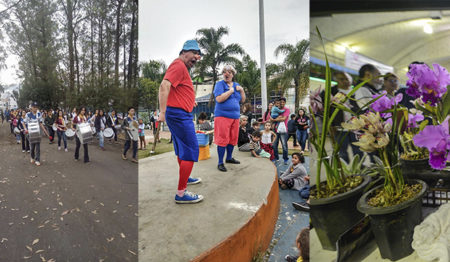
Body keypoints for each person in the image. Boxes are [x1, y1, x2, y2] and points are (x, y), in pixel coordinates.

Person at [158, 39, 203, 204]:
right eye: (194, 53)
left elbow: (177, 90)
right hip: (178, 115)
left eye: (198, 55)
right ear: (185, 52)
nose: (197, 58)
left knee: (182, 150)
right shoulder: (178, 65)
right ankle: (181, 193)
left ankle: (186, 178)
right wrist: (162, 112)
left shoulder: (182, 67)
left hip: (178, 113)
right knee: (191, 150)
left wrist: (190, 100)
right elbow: (164, 86)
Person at [213, 64, 246, 172]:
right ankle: (220, 162)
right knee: (223, 139)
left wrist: (241, 91)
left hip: (235, 117)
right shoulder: (219, 84)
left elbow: (242, 100)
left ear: (232, 74)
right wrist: (230, 91)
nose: (227, 74)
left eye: (229, 72)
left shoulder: (236, 85)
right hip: (222, 116)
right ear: (223, 74)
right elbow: (219, 99)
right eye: (225, 72)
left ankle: (229, 158)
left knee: (232, 139)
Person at [24, 102, 49, 166]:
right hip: (31, 134)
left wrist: (46, 133)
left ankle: (37, 160)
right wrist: (26, 129)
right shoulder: (28, 115)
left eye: (36, 107)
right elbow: (23, 122)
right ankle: (32, 157)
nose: (35, 108)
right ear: (31, 107)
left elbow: (41, 124)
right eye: (34, 107)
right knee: (32, 148)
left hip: (38, 134)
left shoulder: (39, 114)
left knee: (38, 147)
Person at [271, 97, 290, 165]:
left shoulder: (286, 110)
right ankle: (276, 157)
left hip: (283, 130)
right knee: (274, 145)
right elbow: (271, 117)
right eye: (280, 102)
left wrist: (274, 120)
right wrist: (274, 120)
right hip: (276, 130)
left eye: (283, 102)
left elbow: (283, 119)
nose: (281, 103)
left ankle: (285, 159)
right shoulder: (276, 109)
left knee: (284, 145)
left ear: (285, 103)